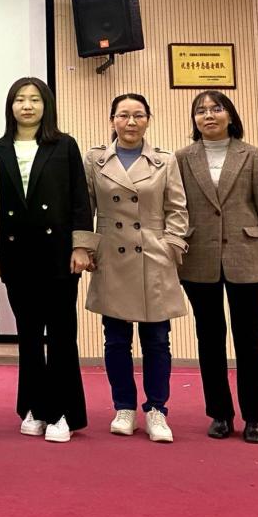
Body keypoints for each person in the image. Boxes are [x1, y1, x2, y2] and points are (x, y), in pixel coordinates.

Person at [176, 91, 258, 444]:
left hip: (249, 256)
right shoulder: (182, 158)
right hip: (198, 258)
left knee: (250, 338)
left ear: (230, 116)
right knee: (209, 337)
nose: (209, 115)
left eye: (216, 109)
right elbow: (175, 208)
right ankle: (220, 414)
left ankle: (255, 416)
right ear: (194, 120)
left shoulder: (252, 155)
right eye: (201, 111)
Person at [0, 77, 93, 443]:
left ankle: (64, 412)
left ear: (46, 105)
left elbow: (80, 199)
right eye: (20, 99)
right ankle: (32, 406)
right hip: (17, 254)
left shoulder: (64, 145)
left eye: (35, 99)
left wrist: (81, 246)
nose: (27, 106)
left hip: (59, 254)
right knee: (29, 334)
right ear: (10, 106)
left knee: (62, 334)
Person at [82, 93, 188, 443]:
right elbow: (85, 207)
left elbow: (177, 209)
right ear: (112, 120)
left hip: (153, 256)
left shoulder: (164, 160)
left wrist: (172, 245)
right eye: (123, 115)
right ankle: (124, 407)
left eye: (138, 115)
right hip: (112, 255)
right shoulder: (95, 159)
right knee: (115, 339)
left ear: (148, 120)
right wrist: (86, 247)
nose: (130, 122)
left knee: (157, 339)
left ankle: (157, 409)